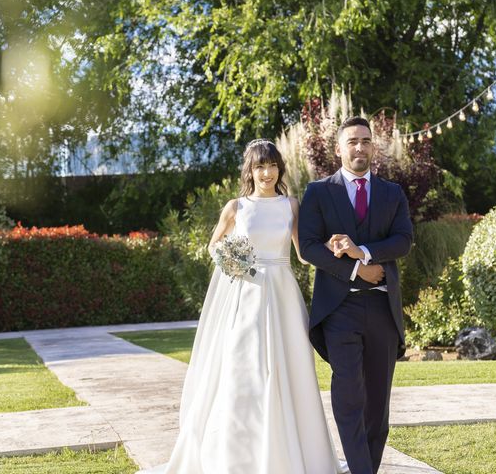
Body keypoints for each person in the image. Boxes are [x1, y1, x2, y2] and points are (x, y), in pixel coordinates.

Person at [138, 139, 348, 474]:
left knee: (288, 367)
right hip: (246, 294)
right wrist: (232, 262)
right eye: (259, 166)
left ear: (280, 168)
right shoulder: (236, 207)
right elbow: (214, 246)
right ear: (249, 170)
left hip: (281, 292)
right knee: (244, 368)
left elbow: (303, 251)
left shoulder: (291, 205)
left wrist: (333, 249)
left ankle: (291, 453)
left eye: (272, 165)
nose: (267, 173)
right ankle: (239, 458)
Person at [298, 116, 414, 474]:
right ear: (339, 148)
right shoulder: (319, 192)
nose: (359, 147)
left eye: (365, 141)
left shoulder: (392, 193)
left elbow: (403, 241)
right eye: (352, 141)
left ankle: (366, 468)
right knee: (349, 394)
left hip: (382, 307)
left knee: (377, 404)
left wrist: (362, 251)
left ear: (373, 147)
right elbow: (309, 246)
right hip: (340, 309)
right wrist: (354, 269)